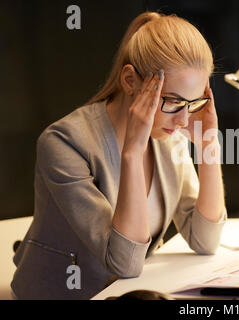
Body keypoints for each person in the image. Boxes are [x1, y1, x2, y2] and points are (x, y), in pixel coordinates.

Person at [11, 11, 227, 300]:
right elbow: (124, 262)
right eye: (174, 102)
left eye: (194, 103)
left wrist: (209, 147)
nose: (183, 120)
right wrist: (133, 152)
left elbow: (206, 240)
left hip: (126, 293)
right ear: (130, 81)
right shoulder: (63, 143)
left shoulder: (167, 137)